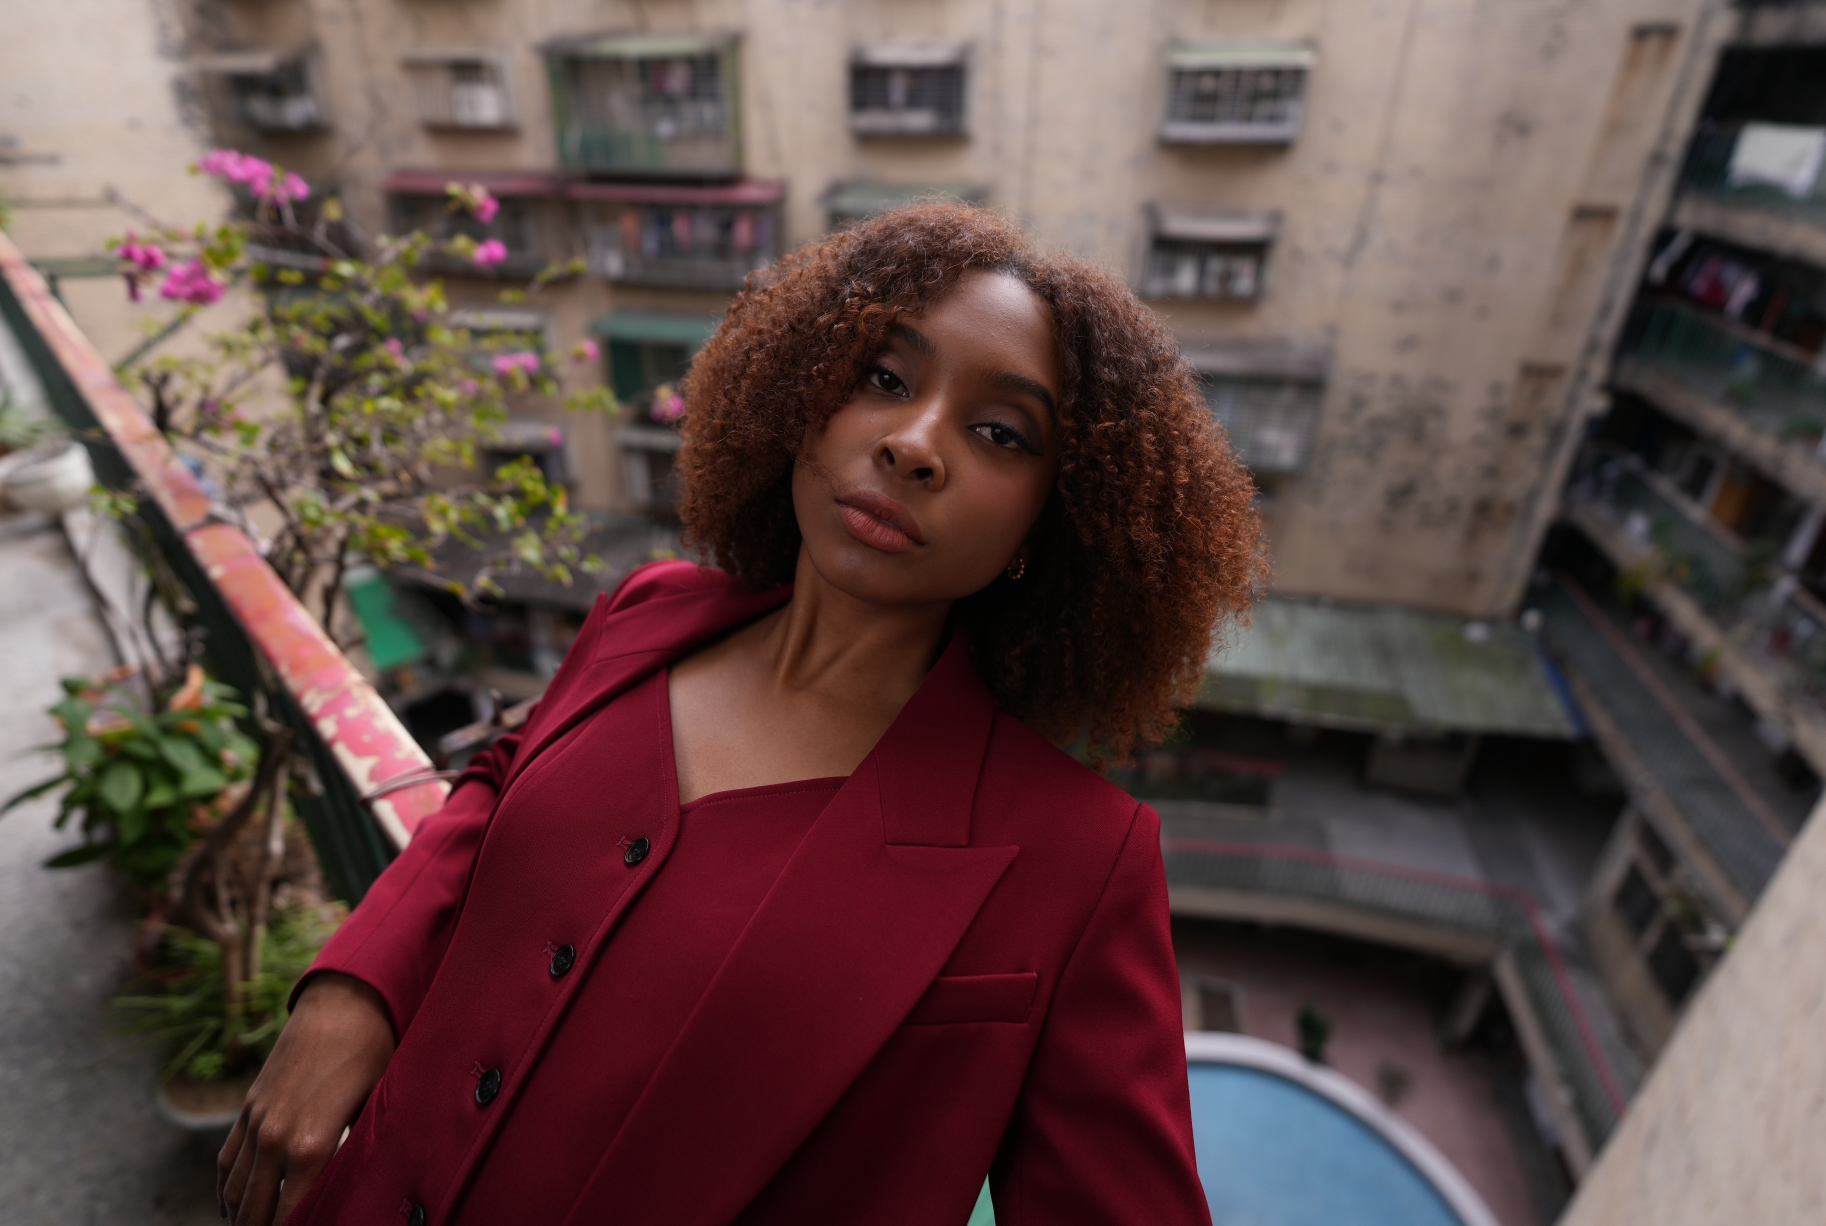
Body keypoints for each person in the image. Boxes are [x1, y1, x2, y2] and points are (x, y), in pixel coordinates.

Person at [215, 203, 1263, 1226]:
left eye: (998, 432)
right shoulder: (647, 612)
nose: (912, 444)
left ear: (1049, 524)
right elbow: (499, 782)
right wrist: (354, 992)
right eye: (882, 378)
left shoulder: (1080, 863)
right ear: (803, 396)